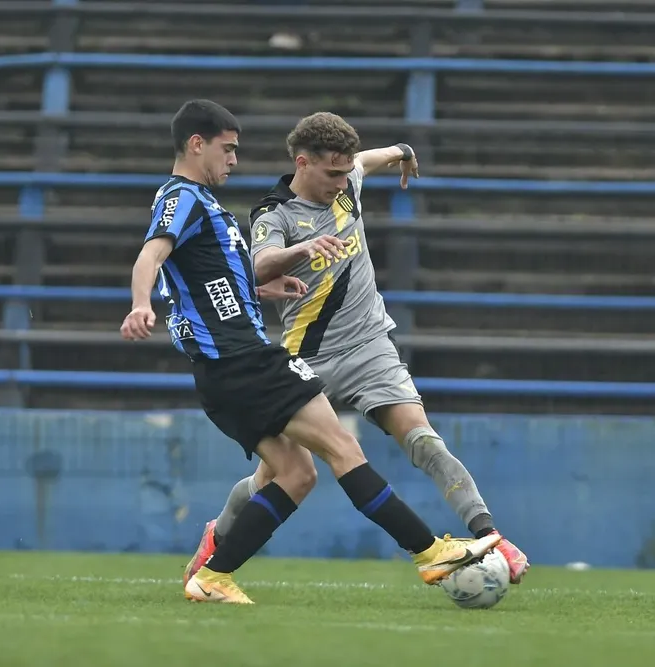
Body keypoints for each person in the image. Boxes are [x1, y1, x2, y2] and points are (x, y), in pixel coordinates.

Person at [120, 100, 502, 605]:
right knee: (345, 451)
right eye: (227, 149)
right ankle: (431, 552)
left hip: (222, 373)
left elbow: (209, 282)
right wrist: (140, 303)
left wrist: (261, 292)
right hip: (247, 361)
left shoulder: (206, 205)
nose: (234, 160)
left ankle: (213, 575)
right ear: (197, 144)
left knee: (297, 474)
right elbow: (152, 252)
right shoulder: (184, 198)